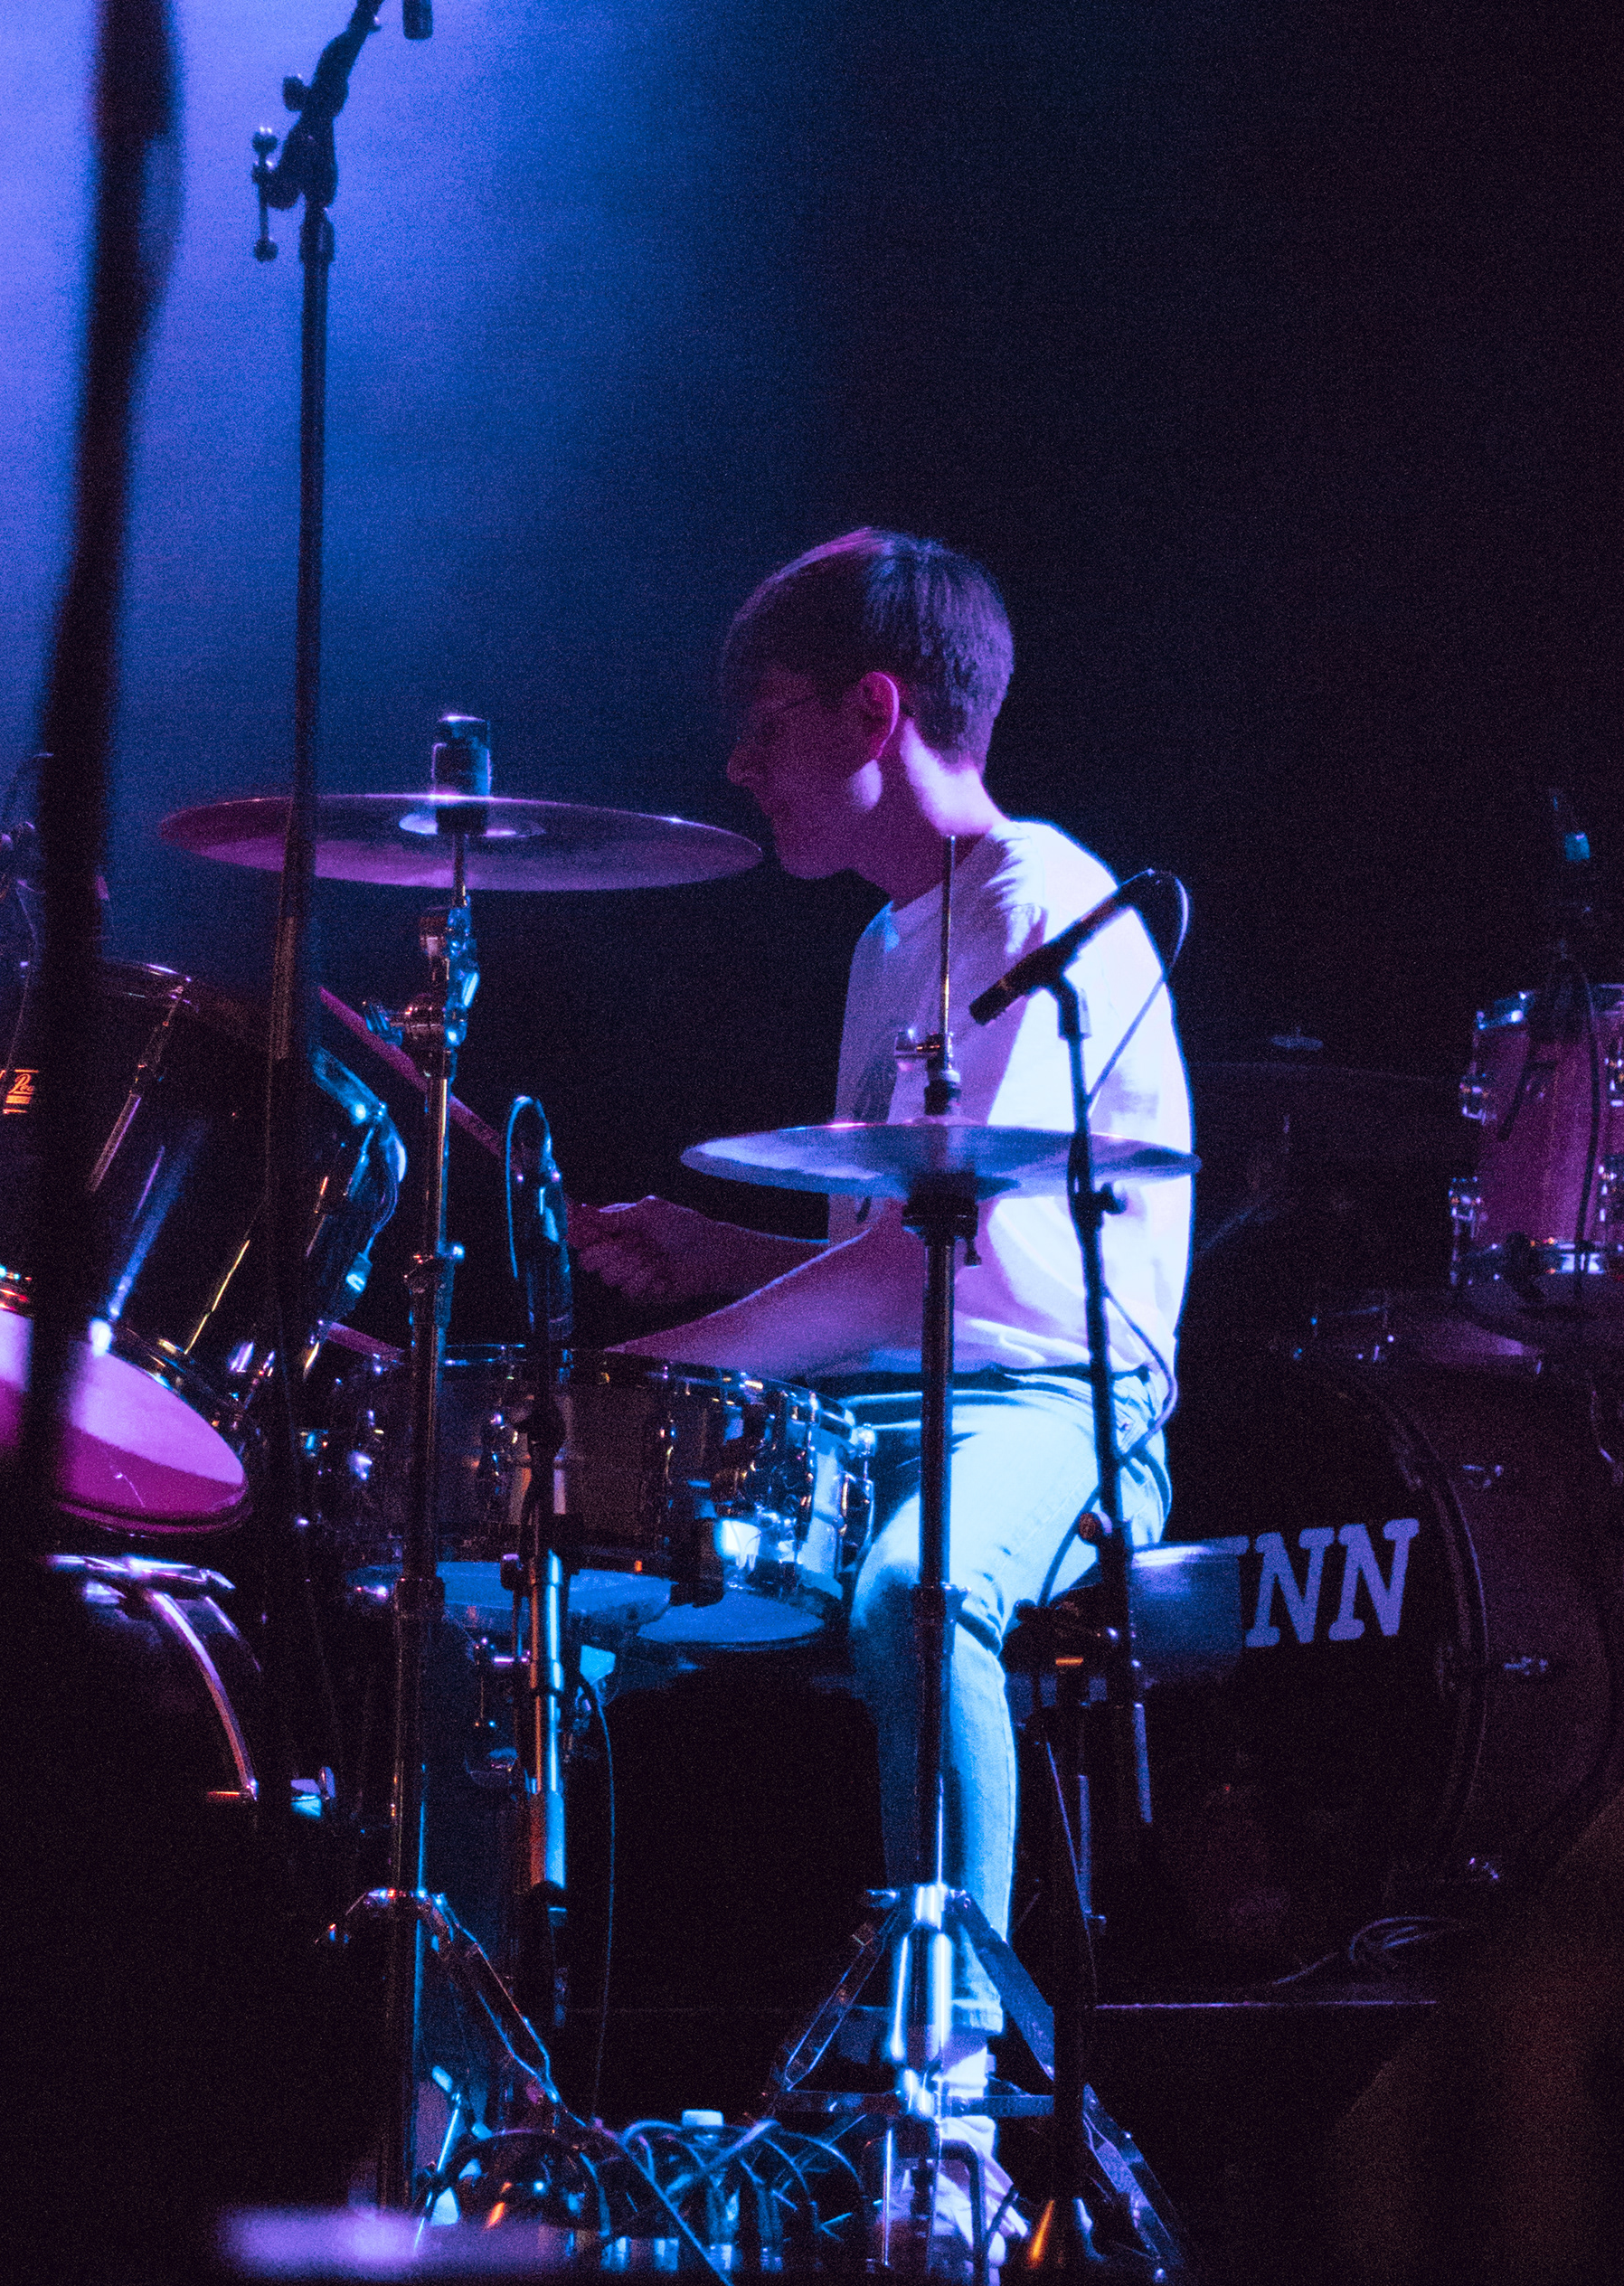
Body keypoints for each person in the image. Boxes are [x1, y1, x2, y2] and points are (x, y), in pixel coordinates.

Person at [571, 528, 1193, 2225]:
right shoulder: (882, 944)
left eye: (762, 721)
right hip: (884, 1403)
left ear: (873, 710)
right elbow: (896, 1251)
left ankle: (949, 2119)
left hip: (1062, 1405)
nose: (737, 764)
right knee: (546, 1583)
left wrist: (658, 1363)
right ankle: (492, 2092)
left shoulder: (1040, 904)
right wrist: (719, 1257)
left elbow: (952, 1272)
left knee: (919, 1597)